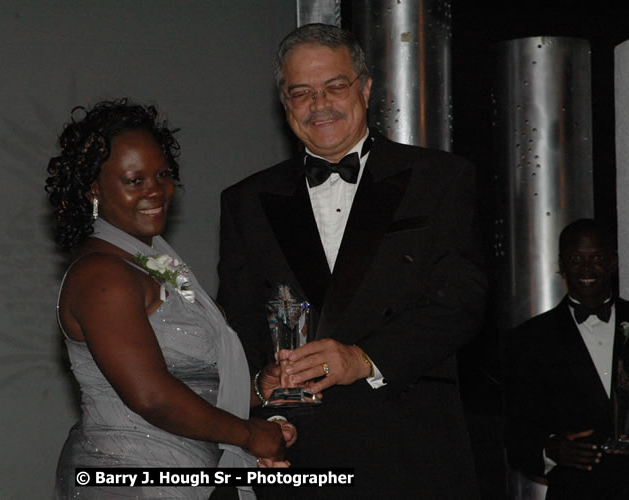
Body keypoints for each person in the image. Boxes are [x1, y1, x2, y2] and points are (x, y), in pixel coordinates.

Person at [216, 23, 486, 499]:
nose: (319, 105)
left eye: (334, 86)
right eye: (301, 93)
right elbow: (240, 319)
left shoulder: (440, 178)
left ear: (364, 88)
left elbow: (460, 300)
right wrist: (263, 397)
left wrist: (362, 359)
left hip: (411, 451)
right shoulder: (247, 200)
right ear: (284, 104)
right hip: (296, 455)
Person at [46, 99, 296, 499]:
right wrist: (249, 435)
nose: (156, 190)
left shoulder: (152, 260)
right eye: (135, 180)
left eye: (163, 174)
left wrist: (259, 388)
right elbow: (152, 397)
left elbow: (193, 381)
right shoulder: (102, 275)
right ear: (94, 188)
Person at [505, 218, 629, 499]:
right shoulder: (529, 340)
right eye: (575, 259)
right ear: (562, 265)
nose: (586, 268)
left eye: (596, 258)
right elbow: (516, 436)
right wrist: (551, 450)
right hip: (575, 491)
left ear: (613, 262)